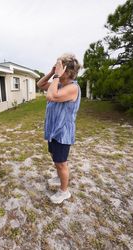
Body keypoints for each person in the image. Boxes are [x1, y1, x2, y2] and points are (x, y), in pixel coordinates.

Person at [37, 53, 81, 204]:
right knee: (55, 157)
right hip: (53, 129)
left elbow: (51, 96)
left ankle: (64, 191)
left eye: (60, 67)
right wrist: (51, 72)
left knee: (61, 162)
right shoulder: (60, 84)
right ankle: (59, 177)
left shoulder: (73, 87)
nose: (58, 69)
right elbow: (40, 85)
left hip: (63, 132)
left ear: (68, 71)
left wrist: (56, 76)